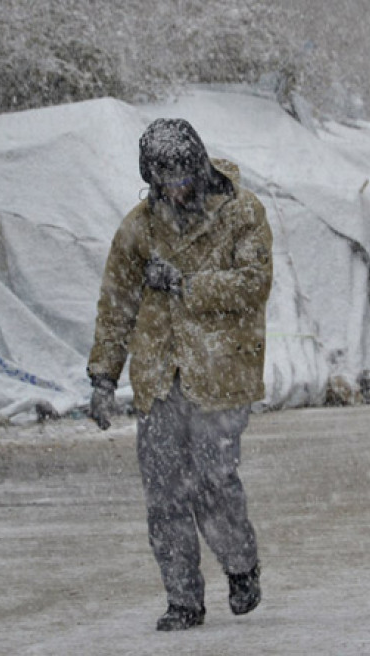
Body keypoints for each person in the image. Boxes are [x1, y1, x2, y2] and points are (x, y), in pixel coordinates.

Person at [86, 118, 273, 631]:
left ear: (199, 166)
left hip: (220, 373)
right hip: (158, 379)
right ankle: (184, 599)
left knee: (214, 482)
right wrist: (104, 375)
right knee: (164, 495)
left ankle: (240, 565)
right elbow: (116, 304)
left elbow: (253, 283)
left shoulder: (241, 213)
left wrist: (187, 284)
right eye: (162, 179)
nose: (174, 188)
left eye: (181, 175)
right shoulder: (139, 228)